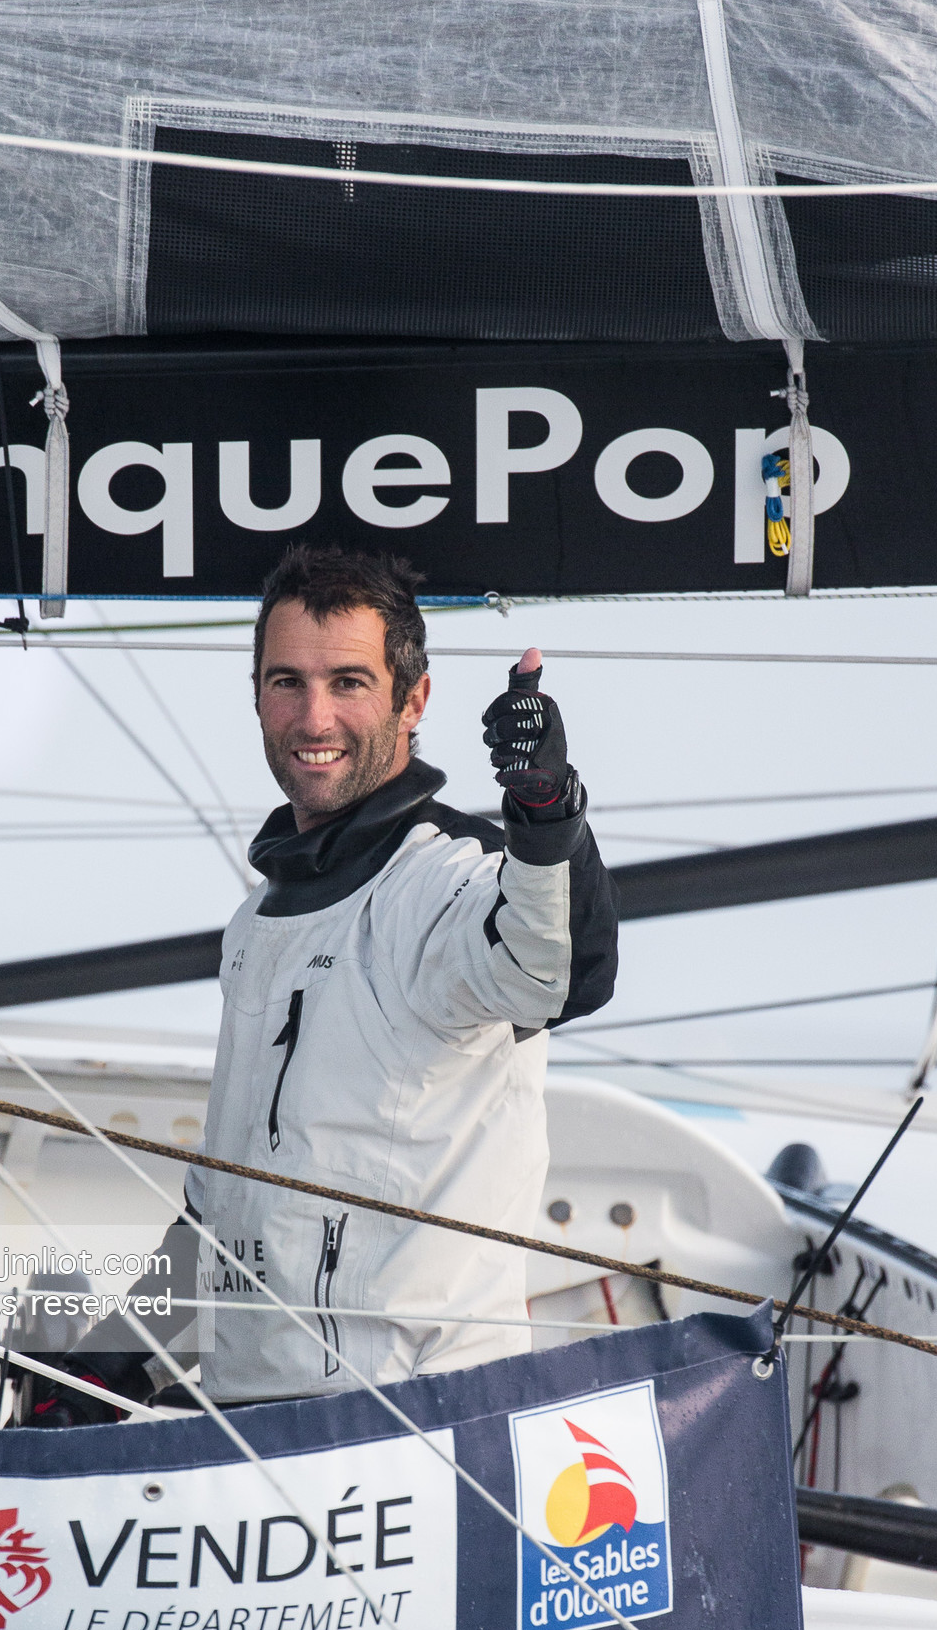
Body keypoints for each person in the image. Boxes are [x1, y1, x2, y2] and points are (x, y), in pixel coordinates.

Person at [32, 543, 618, 1421]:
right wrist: (112, 1367)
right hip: (255, 1421)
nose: (314, 717)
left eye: (348, 682)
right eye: (286, 682)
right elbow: (224, 1207)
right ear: (257, 695)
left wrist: (544, 809)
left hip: (418, 1423)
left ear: (413, 699)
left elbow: (554, 969)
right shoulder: (258, 924)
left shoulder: (443, 879)